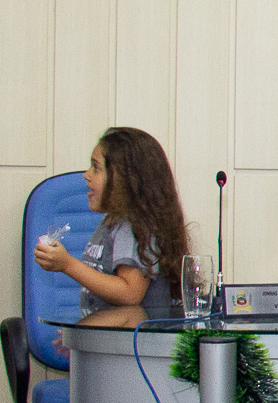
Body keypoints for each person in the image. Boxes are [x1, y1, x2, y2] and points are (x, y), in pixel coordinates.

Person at [34, 127, 189, 314]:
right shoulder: (112, 223)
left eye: (96, 168)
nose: (86, 175)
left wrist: (67, 264)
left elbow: (130, 293)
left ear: (126, 179)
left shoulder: (135, 228)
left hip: (132, 333)